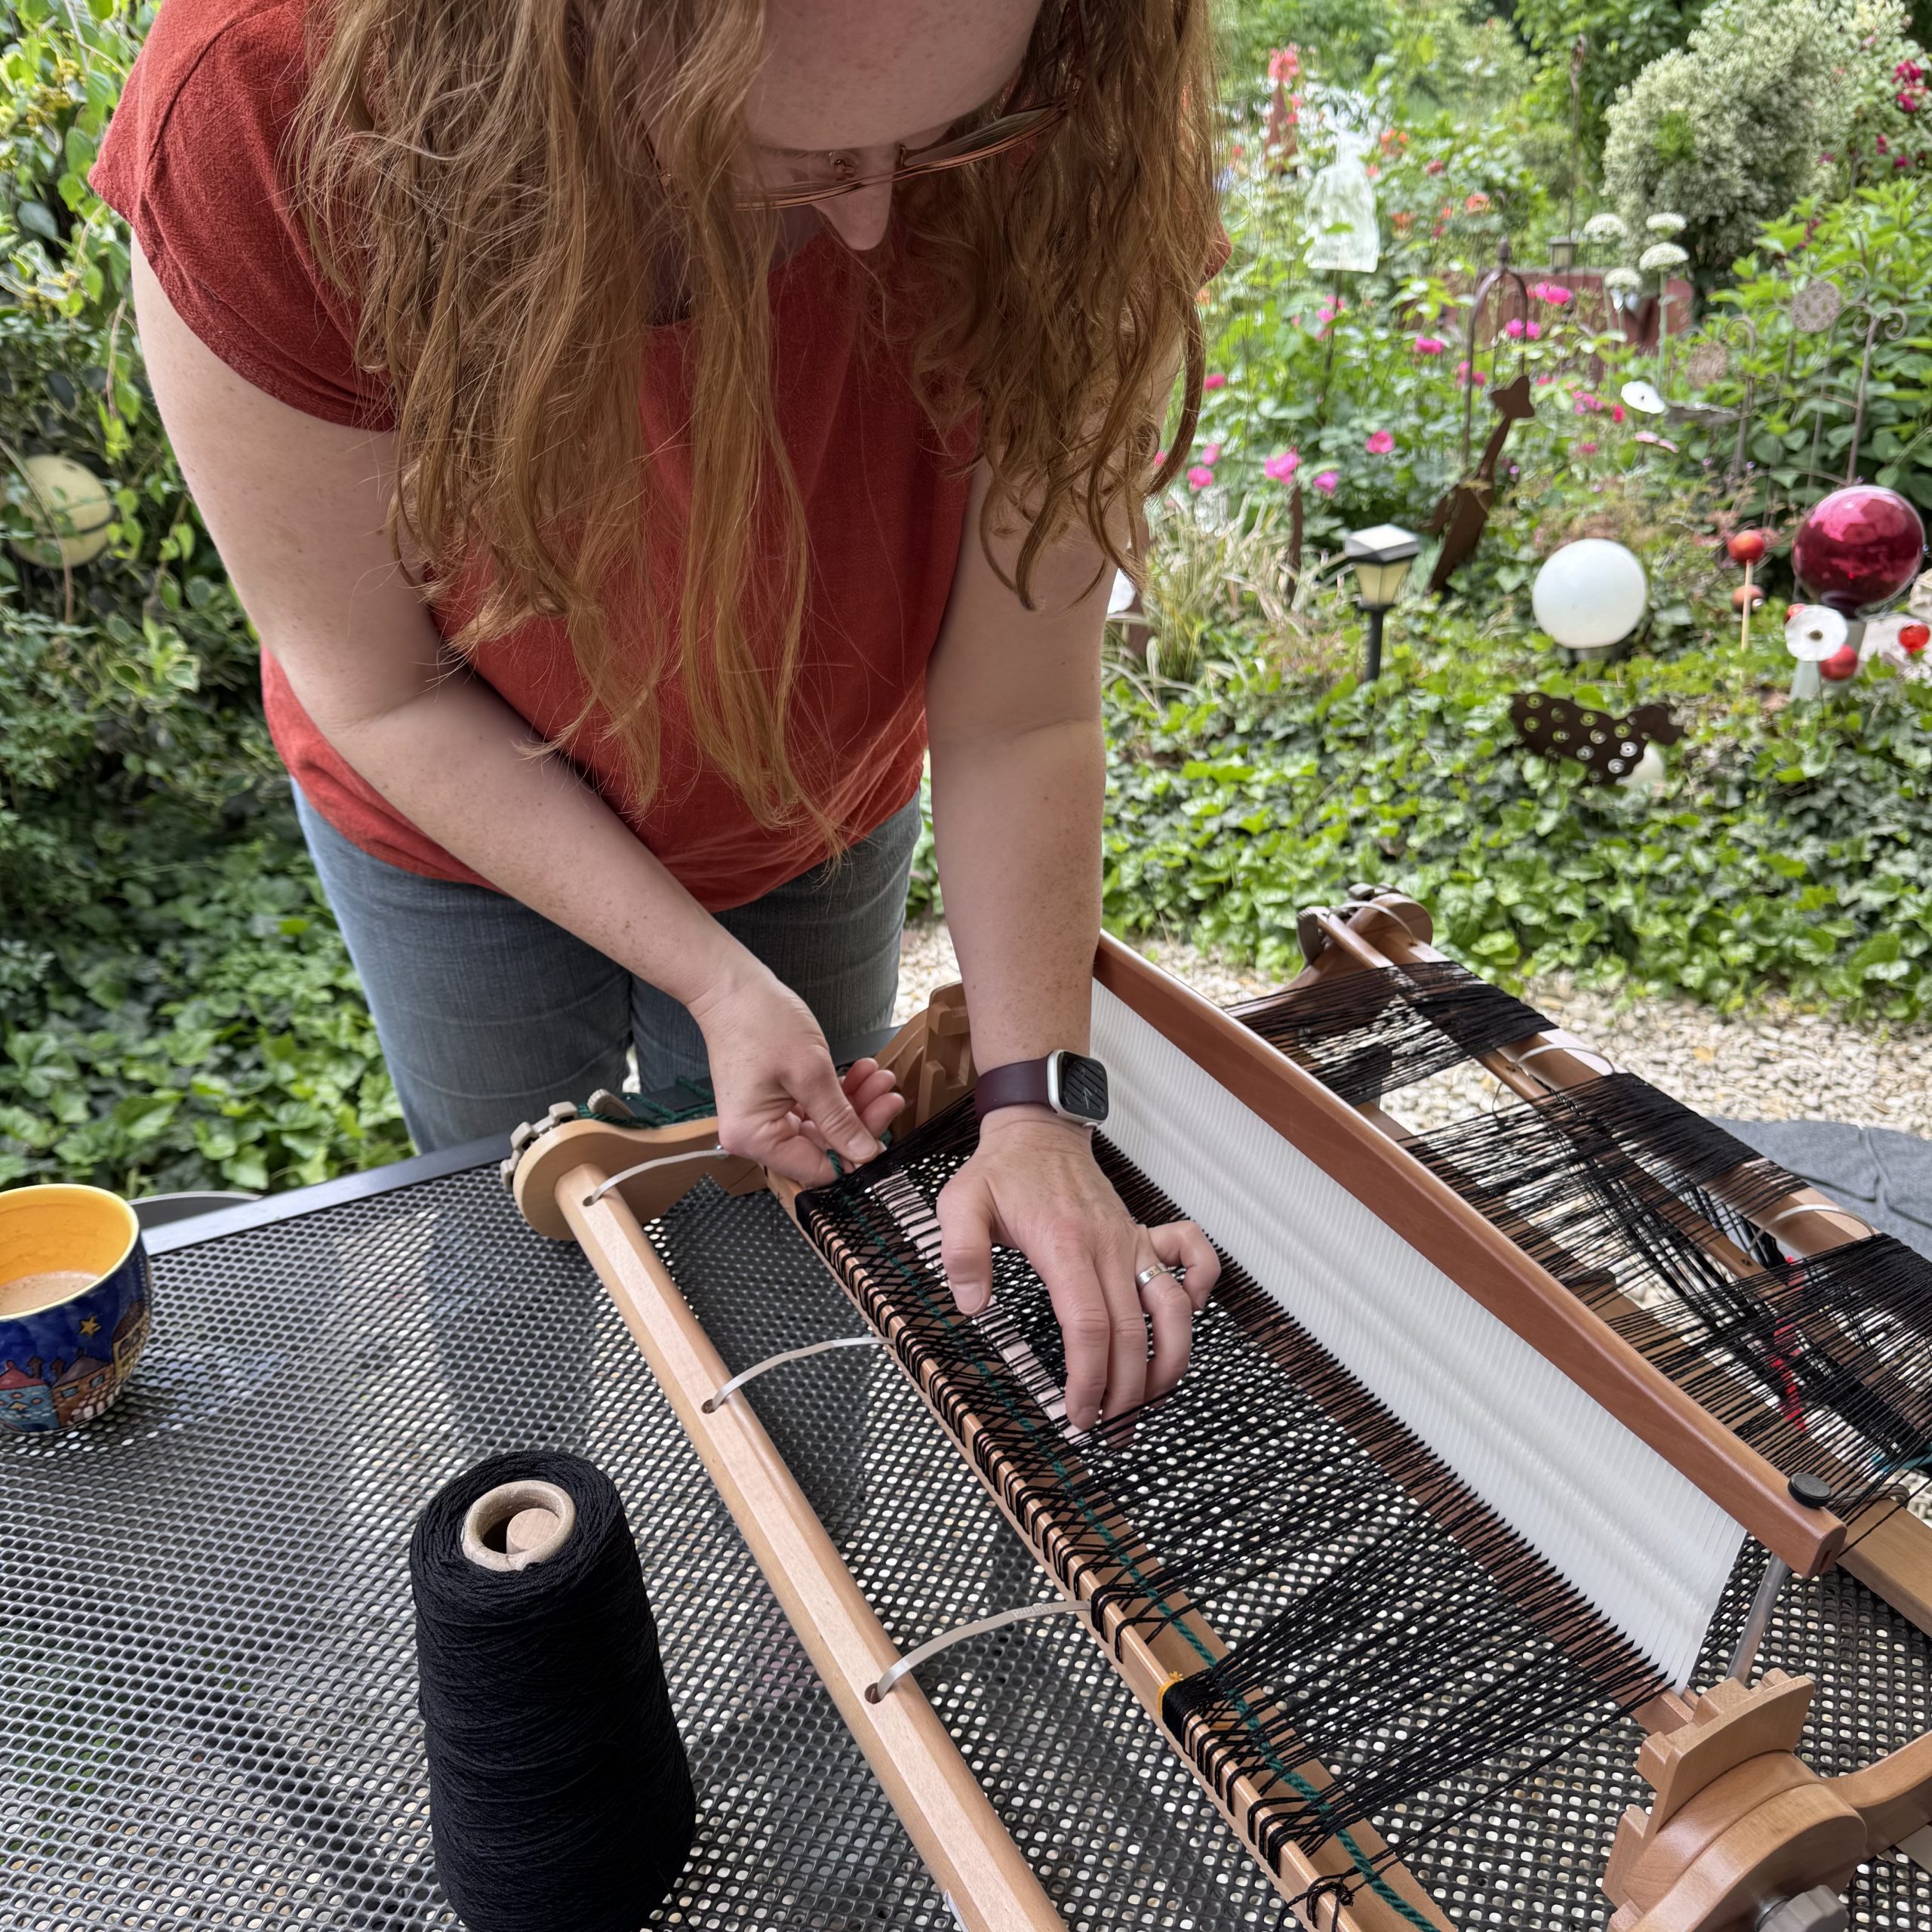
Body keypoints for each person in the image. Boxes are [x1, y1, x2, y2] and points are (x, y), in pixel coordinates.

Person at [94, 0, 1223, 1433]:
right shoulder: (270, 112)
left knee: (795, 1226)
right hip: (453, 814)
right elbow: (379, 681)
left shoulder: (1088, 105)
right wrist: (714, 978)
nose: (876, 225)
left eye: (948, 140)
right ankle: (544, 1481)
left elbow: (1020, 715)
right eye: (786, 153)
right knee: (518, 1229)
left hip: (813, 805)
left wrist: (1037, 1103)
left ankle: (795, 1504)